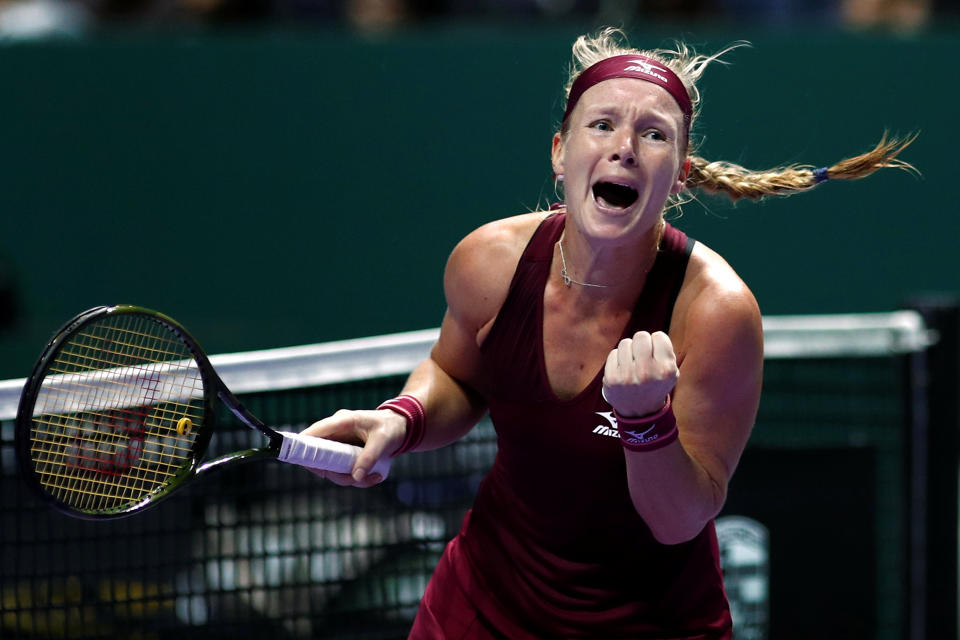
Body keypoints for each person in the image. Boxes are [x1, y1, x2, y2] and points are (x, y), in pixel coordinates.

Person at [302, 27, 915, 639]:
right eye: (602, 125)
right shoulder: (488, 260)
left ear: (679, 174)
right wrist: (403, 418)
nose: (625, 147)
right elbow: (457, 374)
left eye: (654, 134)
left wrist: (646, 422)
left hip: (651, 623)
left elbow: (679, 519)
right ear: (559, 152)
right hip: (482, 604)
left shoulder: (716, 312)